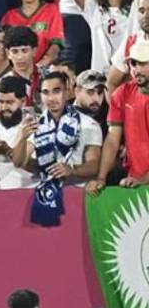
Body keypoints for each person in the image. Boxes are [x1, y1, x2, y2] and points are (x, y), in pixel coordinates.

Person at [11, 70, 101, 223]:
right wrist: (21, 138)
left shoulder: (88, 124)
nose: (51, 98)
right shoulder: (37, 125)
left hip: (79, 197)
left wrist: (71, 169)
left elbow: (94, 165)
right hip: (47, 198)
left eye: (56, 91)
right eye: (46, 93)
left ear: (67, 93)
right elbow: (19, 162)